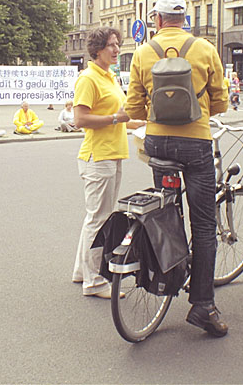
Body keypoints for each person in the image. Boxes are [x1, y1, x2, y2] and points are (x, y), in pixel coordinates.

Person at [124, 0, 229, 337]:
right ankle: (203, 306)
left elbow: (135, 110)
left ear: (156, 19)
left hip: (158, 142)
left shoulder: (142, 52)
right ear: (185, 18)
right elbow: (222, 103)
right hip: (196, 142)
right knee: (203, 224)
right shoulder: (204, 49)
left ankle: (167, 271)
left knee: (166, 213)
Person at [72, 27, 145, 299]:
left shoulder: (109, 76)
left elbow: (123, 116)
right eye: (111, 45)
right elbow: (80, 119)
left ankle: (82, 271)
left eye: (117, 44)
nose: (116, 50)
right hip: (98, 156)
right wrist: (117, 119)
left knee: (95, 217)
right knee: (99, 220)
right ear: (97, 49)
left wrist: (145, 122)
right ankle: (94, 282)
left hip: (112, 154)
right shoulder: (89, 78)